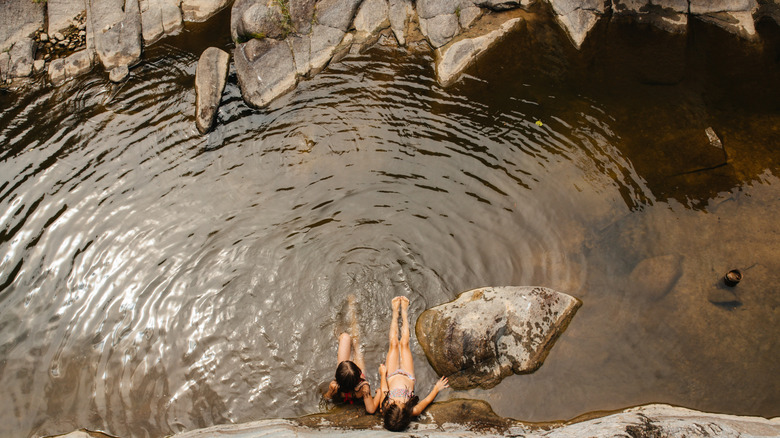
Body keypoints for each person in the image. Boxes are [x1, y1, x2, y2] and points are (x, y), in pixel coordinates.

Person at [378, 296, 449, 431]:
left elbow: (384, 390)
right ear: (405, 414)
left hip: (391, 375)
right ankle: (404, 312)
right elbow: (426, 401)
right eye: (400, 404)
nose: (397, 401)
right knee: (404, 343)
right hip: (408, 375)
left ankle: (395, 313)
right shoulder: (413, 411)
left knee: (393, 343)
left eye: (395, 403)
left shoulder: (385, 407)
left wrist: (382, 374)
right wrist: (436, 388)